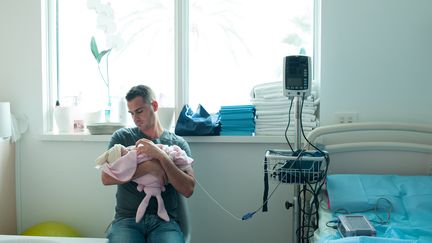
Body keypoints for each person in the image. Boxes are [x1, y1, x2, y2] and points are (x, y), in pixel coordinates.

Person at [102, 84, 195, 243]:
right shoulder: (121, 138)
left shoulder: (177, 144)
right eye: (131, 113)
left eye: (139, 111)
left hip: (164, 222)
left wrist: (162, 158)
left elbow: (188, 189)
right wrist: (148, 167)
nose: (135, 118)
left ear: (155, 106)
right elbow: (106, 178)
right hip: (127, 221)